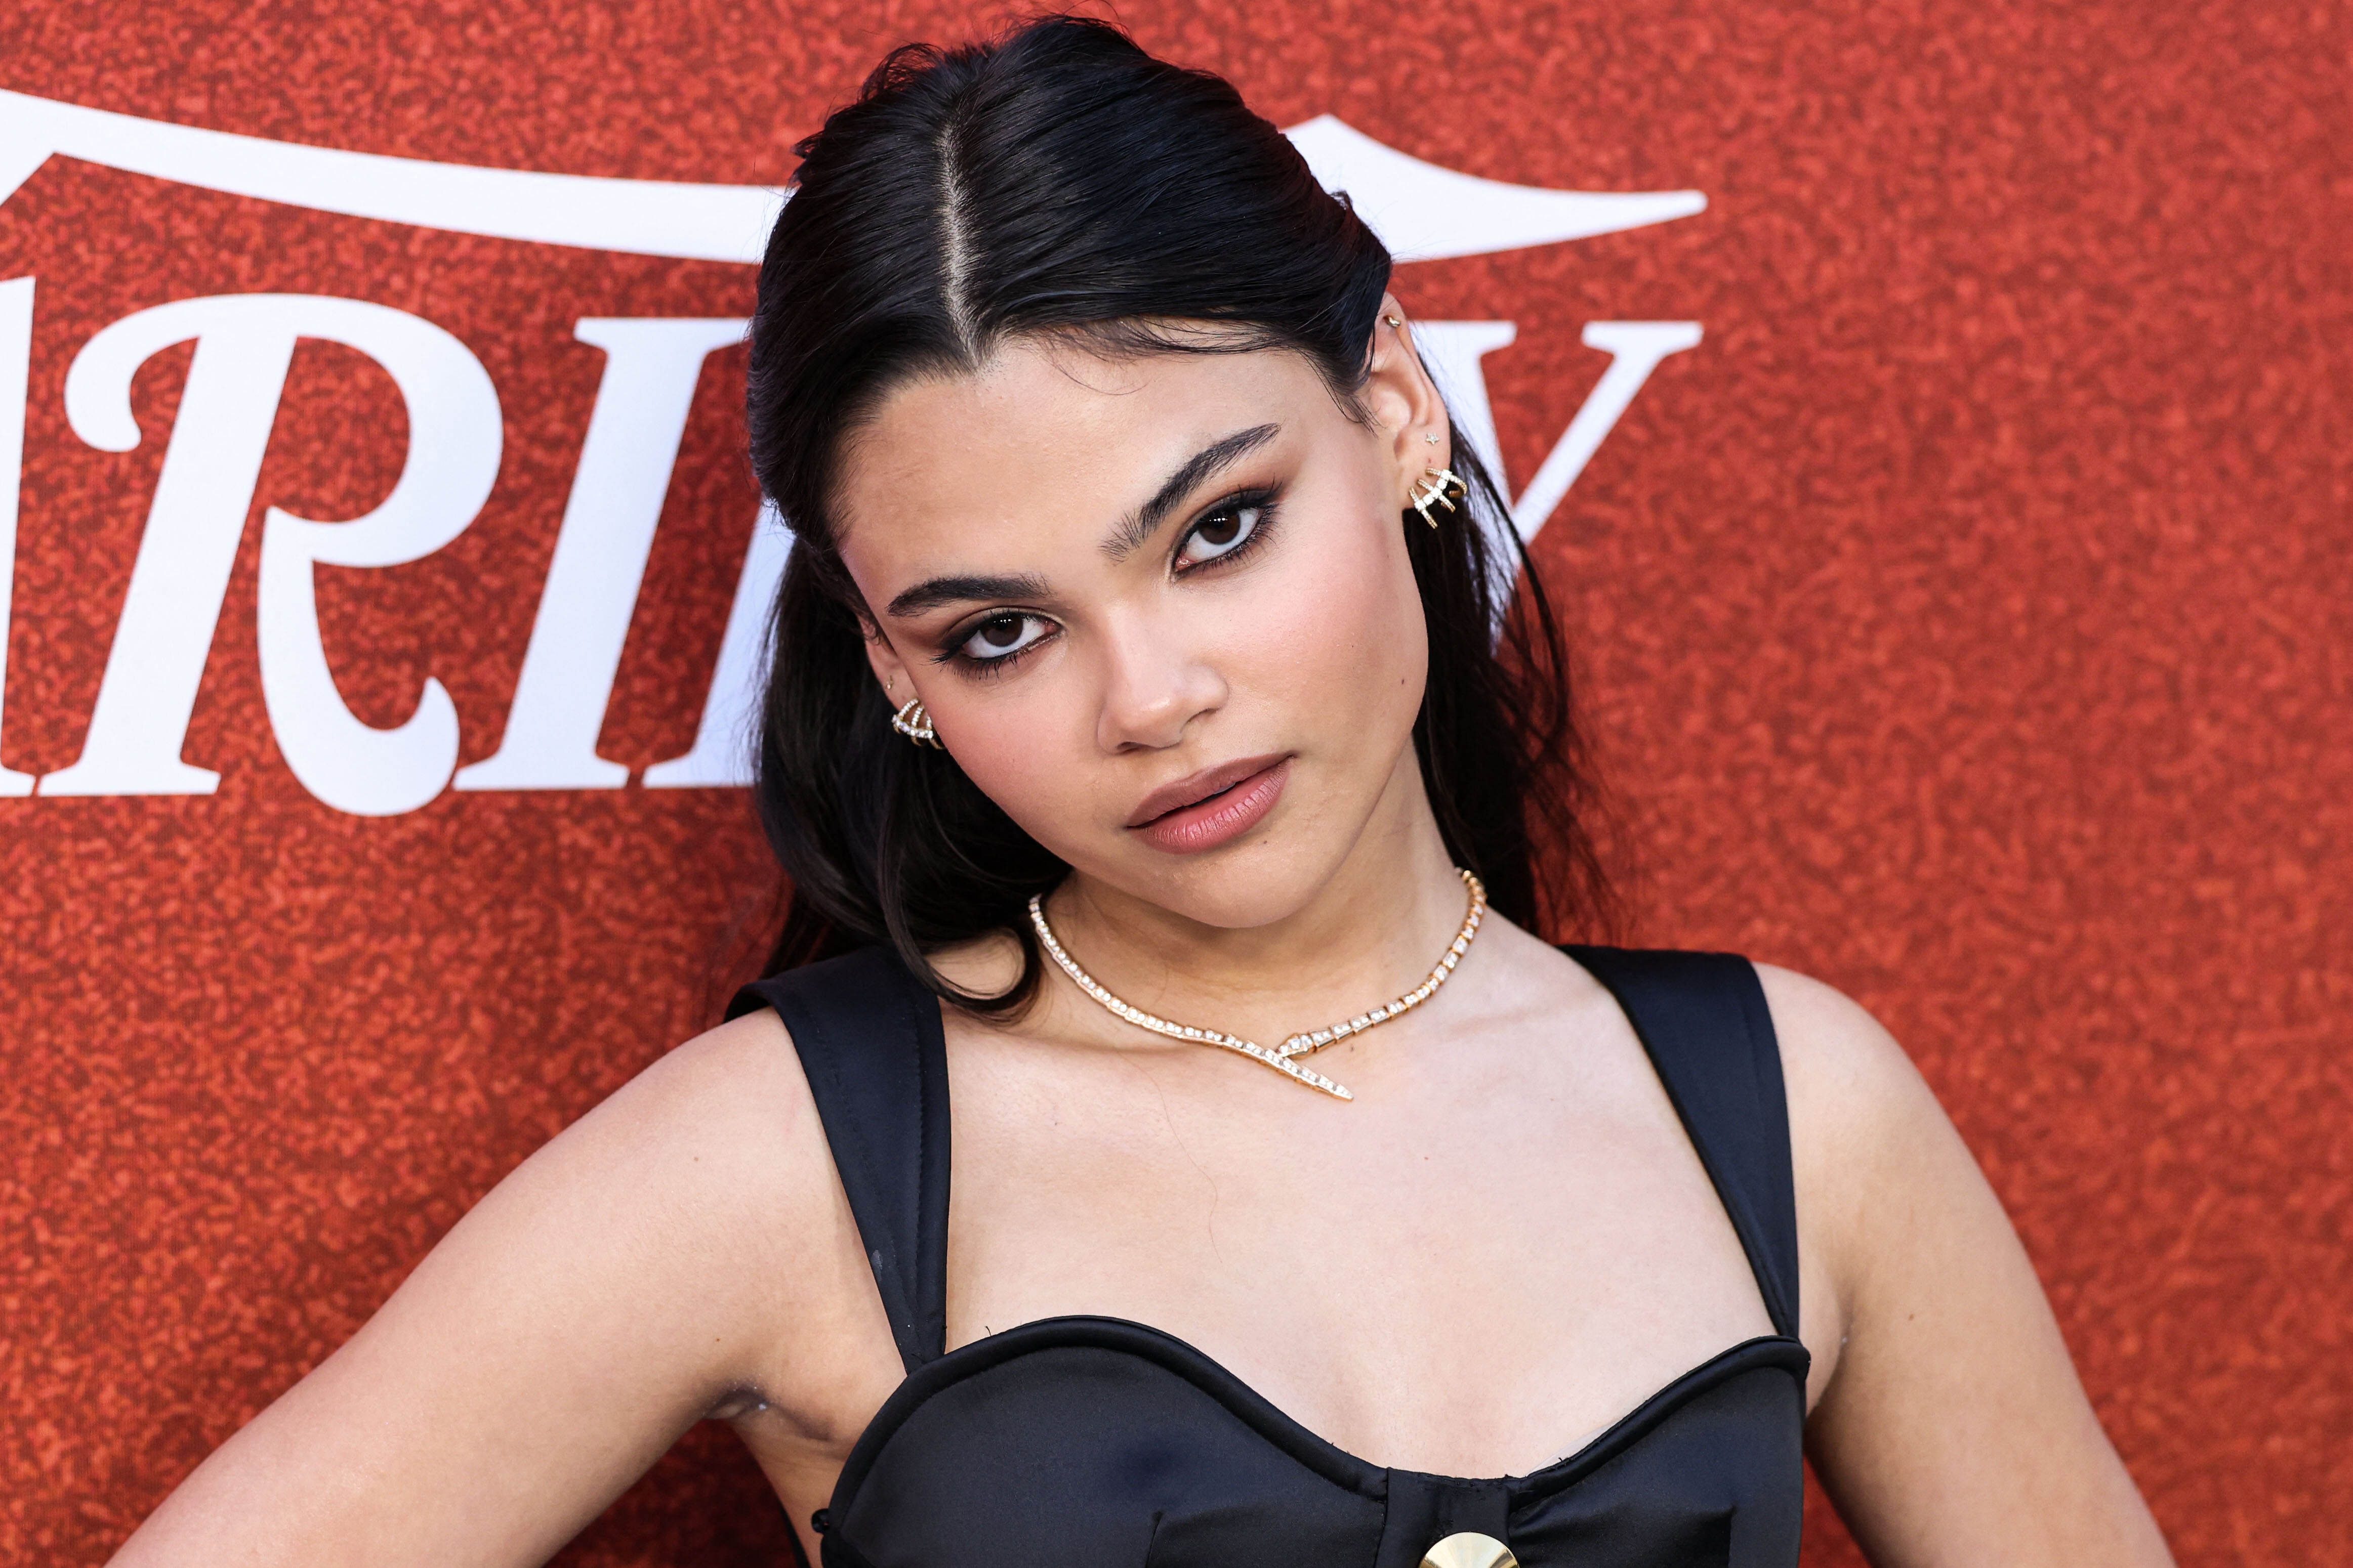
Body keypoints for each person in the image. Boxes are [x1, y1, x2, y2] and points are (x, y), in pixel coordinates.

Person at [109, 18, 2173, 1568]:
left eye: (1216, 528)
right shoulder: (786, 1159)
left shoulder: (1798, 1112)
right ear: (893, 666)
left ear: (1393, 410)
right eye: (1000, 629)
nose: (1153, 698)